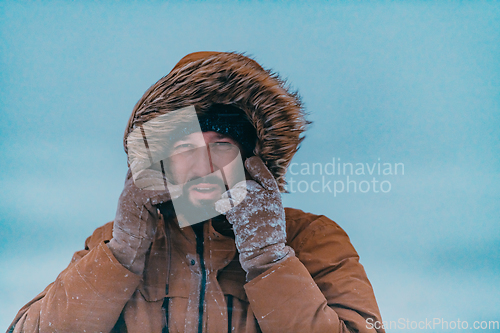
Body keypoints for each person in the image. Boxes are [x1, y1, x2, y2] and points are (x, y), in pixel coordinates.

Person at [8, 52, 385, 333]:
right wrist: (122, 255)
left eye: (221, 143)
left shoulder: (311, 239)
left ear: (252, 158)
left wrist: (269, 258)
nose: (203, 163)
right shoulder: (114, 242)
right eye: (186, 146)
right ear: (162, 160)